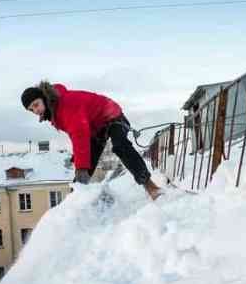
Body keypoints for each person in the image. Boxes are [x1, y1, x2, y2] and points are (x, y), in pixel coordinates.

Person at [21, 80, 162, 200]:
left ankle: (151, 187)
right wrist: (79, 160)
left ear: (44, 97)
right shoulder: (54, 111)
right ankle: (73, 202)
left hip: (112, 117)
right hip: (95, 128)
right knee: (84, 162)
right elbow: (75, 134)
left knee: (120, 146)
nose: (35, 110)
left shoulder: (65, 105)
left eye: (36, 104)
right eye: (31, 110)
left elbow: (79, 133)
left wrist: (81, 167)